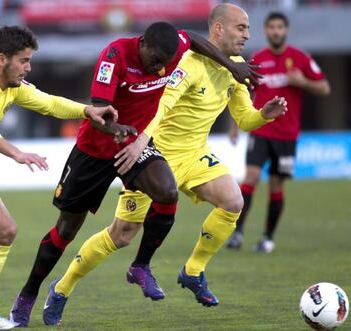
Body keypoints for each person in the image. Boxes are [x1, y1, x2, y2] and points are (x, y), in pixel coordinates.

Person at [37, 3, 287, 319]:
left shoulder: (236, 67)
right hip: (156, 157)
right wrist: (140, 143)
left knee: (233, 201)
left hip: (195, 154)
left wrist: (263, 115)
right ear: (219, 29)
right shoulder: (185, 64)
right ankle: (62, 288)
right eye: (241, 28)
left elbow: (244, 118)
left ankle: (193, 271)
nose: (247, 35)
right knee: (122, 235)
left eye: (248, 29)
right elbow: (161, 108)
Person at [0, 25, 117, 330]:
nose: (28, 67)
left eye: (30, 60)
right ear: (2, 58)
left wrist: (87, 110)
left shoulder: (13, 86)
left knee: (4, 231)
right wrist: (16, 153)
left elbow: (48, 103)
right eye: (23, 60)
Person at [226, 11, 330, 253]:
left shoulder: (301, 58)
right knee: (250, 178)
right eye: (271, 27)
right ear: (265, 30)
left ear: (286, 30)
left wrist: (302, 82)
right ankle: (237, 233)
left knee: (276, 186)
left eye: (280, 27)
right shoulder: (257, 58)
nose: (275, 31)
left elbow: (324, 87)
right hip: (261, 130)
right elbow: (244, 94)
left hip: (287, 135)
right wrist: (234, 125)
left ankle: (267, 238)